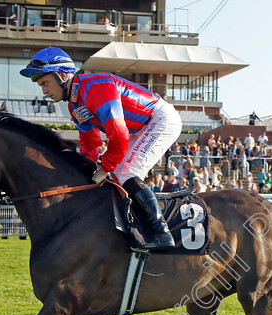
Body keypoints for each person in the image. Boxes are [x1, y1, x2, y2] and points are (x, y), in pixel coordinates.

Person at [20, 46, 181, 249]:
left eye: (45, 83)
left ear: (61, 75)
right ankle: (131, 227)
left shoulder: (95, 86)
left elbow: (118, 134)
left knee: (124, 172)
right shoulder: (74, 104)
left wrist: (104, 167)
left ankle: (161, 232)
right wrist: (87, 169)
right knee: (117, 176)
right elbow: (90, 142)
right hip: (140, 128)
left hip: (160, 119)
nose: (44, 91)